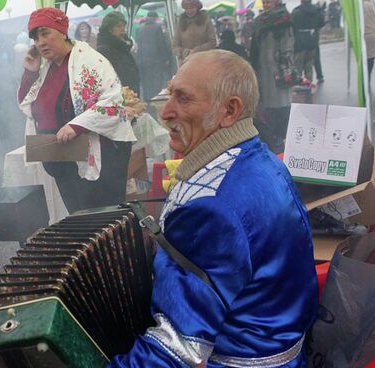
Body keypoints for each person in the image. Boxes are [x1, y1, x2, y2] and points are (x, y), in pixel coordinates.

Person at [109, 49, 318, 367]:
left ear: (229, 111)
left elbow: (176, 350)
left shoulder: (210, 208)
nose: (165, 112)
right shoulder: (260, 158)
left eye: (183, 99)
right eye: (170, 95)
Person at [18, 8, 136, 214]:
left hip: (101, 157)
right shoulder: (46, 67)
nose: (40, 42)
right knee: (80, 218)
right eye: (36, 38)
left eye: (46, 33)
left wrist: (77, 125)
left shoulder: (90, 61)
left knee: (104, 219)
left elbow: (113, 101)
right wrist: (30, 71)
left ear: (62, 32)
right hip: (62, 158)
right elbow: (28, 104)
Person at [250, 0, 296, 154]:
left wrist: (285, 70)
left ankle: (283, 145)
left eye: (268, 1)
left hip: (278, 71)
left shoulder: (283, 19)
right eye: (264, 2)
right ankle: (273, 143)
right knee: (266, 108)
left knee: (281, 107)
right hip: (263, 70)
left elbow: (288, 46)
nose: (265, 4)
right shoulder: (261, 21)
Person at [96, 11, 140, 96]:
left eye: (124, 26)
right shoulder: (104, 50)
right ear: (109, 29)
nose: (123, 29)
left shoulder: (122, 46)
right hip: (119, 97)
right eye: (119, 26)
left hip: (132, 93)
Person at [136, 11, 172, 100]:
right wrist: (166, 58)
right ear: (155, 18)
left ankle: (147, 100)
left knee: (147, 82)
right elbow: (161, 44)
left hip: (143, 61)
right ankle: (156, 100)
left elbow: (139, 45)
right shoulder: (157, 27)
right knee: (156, 81)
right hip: (156, 60)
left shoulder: (140, 28)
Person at [172, 0, 216, 65]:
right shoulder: (181, 22)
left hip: (205, 62)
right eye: (186, 8)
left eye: (192, 8)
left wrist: (197, 50)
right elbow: (175, 45)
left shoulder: (205, 20)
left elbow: (212, 42)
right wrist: (184, 52)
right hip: (186, 63)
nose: (189, 11)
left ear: (197, 7)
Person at [292, 0, 325, 82]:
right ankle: (308, 85)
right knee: (309, 65)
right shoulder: (317, 10)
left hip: (299, 42)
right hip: (313, 40)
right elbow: (322, 23)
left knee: (298, 66)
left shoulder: (296, 11)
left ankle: (298, 85)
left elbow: (292, 26)